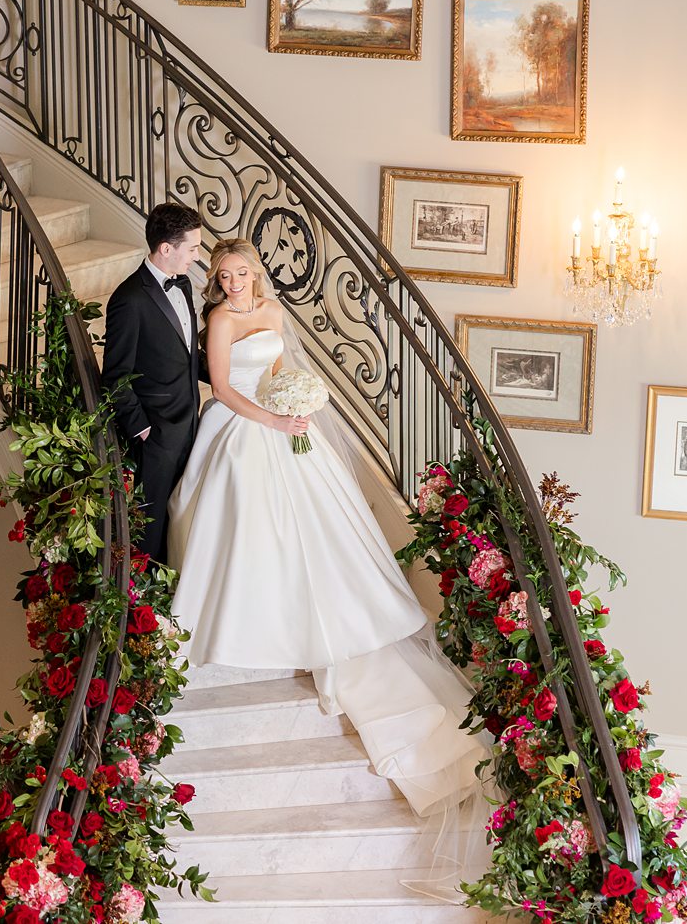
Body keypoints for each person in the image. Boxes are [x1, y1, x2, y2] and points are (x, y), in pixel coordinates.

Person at [167, 239, 488, 891]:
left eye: (241, 273)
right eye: (223, 275)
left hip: (284, 419)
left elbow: (284, 366)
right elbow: (224, 388)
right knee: (245, 504)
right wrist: (273, 419)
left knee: (319, 520)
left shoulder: (273, 314)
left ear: (255, 274)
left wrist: (300, 406)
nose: (233, 283)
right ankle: (247, 610)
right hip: (241, 424)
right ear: (216, 282)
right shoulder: (220, 322)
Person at [101, 202, 204, 563]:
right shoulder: (129, 300)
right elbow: (115, 377)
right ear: (166, 248)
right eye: (192, 248)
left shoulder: (184, 284)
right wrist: (144, 430)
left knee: (183, 519)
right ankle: (146, 607)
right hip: (156, 434)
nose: (197, 255)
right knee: (152, 527)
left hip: (192, 425)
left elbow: (187, 354)